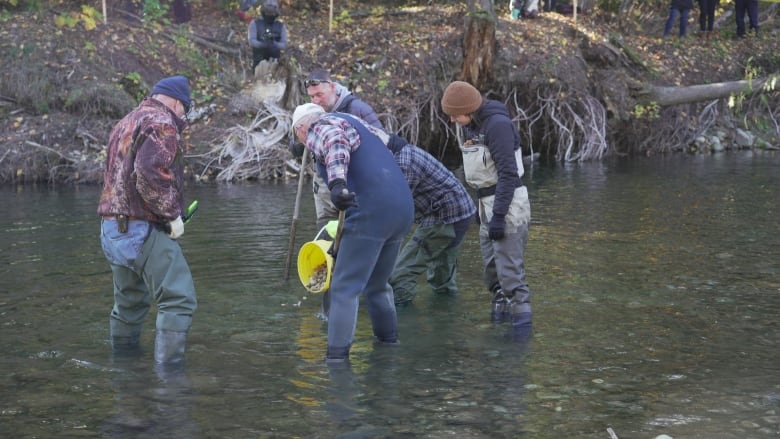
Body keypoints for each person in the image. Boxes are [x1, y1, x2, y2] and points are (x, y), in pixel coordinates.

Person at [291, 103, 414, 363]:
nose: (304, 143)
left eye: (299, 138)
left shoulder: (319, 126)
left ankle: (336, 360)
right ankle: (388, 346)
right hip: (402, 207)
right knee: (377, 286)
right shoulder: (352, 121)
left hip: (371, 211)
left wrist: (337, 184)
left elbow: (334, 142)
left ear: (302, 129)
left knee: (343, 288)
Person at [97, 75, 198, 369]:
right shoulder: (161, 122)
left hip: (111, 229)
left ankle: (125, 370)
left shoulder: (127, 120)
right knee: (178, 298)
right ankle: (170, 381)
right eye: (185, 110)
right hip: (140, 228)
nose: (183, 117)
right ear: (178, 102)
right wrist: (172, 215)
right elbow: (149, 173)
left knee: (129, 304)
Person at [440, 81, 533, 330]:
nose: (452, 120)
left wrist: (499, 216)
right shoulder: (473, 126)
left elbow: (508, 174)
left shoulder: (498, 126)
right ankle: (499, 328)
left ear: (469, 109)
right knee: (493, 273)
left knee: (510, 275)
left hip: (509, 205)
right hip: (485, 205)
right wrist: (483, 212)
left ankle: (519, 338)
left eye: (454, 115)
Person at [386, 138, 477, 306]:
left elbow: (396, 208)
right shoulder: (404, 151)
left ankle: (403, 322)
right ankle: (447, 319)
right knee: (442, 279)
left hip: (445, 217)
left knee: (400, 274)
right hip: (461, 212)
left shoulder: (403, 163)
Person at [292, 68, 384, 230]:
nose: (316, 101)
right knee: (325, 233)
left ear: (333, 87)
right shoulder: (308, 112)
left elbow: (381, 144)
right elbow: (295, 148)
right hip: (322, 189)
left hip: (354, 186)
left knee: (354, 231)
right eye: (312, 96)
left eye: (319, 95)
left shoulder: (357, 109)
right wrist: (299, 143)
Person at [248, 0, 288, 70]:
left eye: (272, 14)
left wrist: (274, 43)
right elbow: (251, 41)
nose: (269, 16)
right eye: (267, 13)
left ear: (276, 14)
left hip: (274, 62)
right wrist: (263, 44)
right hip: (258, 61)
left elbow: (284, 44)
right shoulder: (255, 23)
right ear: (263, 12)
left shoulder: (281, 26)